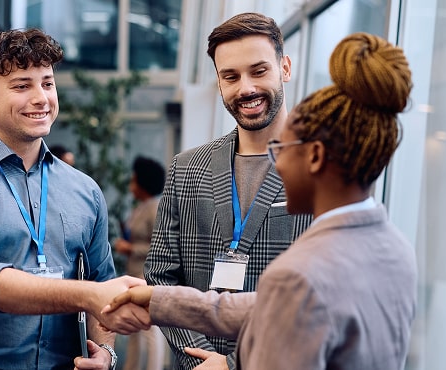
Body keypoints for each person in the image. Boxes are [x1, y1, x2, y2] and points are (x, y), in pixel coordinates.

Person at [104, 32, 417, 370]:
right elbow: (271, 307)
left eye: (282, 149)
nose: (276, 164)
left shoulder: (301, 273)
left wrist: (229, 365)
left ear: (314, 157)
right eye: (230, 76)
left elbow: (284, 314)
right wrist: (161, 299)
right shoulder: (395, 248)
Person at [0, 28, 146, 370]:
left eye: (48, 83)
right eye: (22, 86)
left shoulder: (85, 190)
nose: (42, 98)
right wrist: (88, 295)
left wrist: (105, 351)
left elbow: (102, 285)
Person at [144, 12, 312, 368]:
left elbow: (322, 294)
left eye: (259, 71)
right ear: (219, 82)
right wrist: (199, 358)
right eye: (231, 77)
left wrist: (234, 363)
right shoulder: (186, 168)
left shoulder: (320, 169)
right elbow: (160, 274)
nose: (246, 88)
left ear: (285, 68)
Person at [113, 156, 167, 370]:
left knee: (150, 328)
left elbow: (160, 245)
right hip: (134, 274)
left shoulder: (155, 207)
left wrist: (131, 249)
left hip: (147, 276)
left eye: (134, 179)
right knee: (133, 326)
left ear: (143, 182)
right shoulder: (141, 207)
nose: (131, 184)